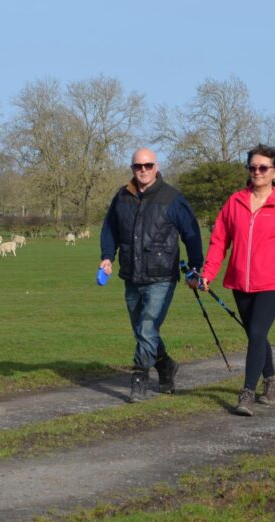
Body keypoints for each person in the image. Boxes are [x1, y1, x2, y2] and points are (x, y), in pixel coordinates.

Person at [196, 144, 275, 416]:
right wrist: (208, 273)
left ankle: (246, 392)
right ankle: (272, 380)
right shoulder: (234, 202)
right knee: (255, 334)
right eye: (253, 167)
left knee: (257, 333)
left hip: (272, 283)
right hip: (240, 282)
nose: (257, 172)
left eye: (263, 168)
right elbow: (219, 241)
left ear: (274, 172)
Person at [100, 148, 204, 403]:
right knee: (142, 331)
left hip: (161, 277)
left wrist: (195, 266)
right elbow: (109, 229)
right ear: (132, 168)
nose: (143, 170)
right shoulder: (122, 197)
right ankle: (166, 365)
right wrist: (106, 257)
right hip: (131, 275)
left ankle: (139, 378)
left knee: (147, 327)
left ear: (156, 167)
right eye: (138, 166)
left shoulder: (172, 198)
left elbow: (191, 233)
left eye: (148, 165)